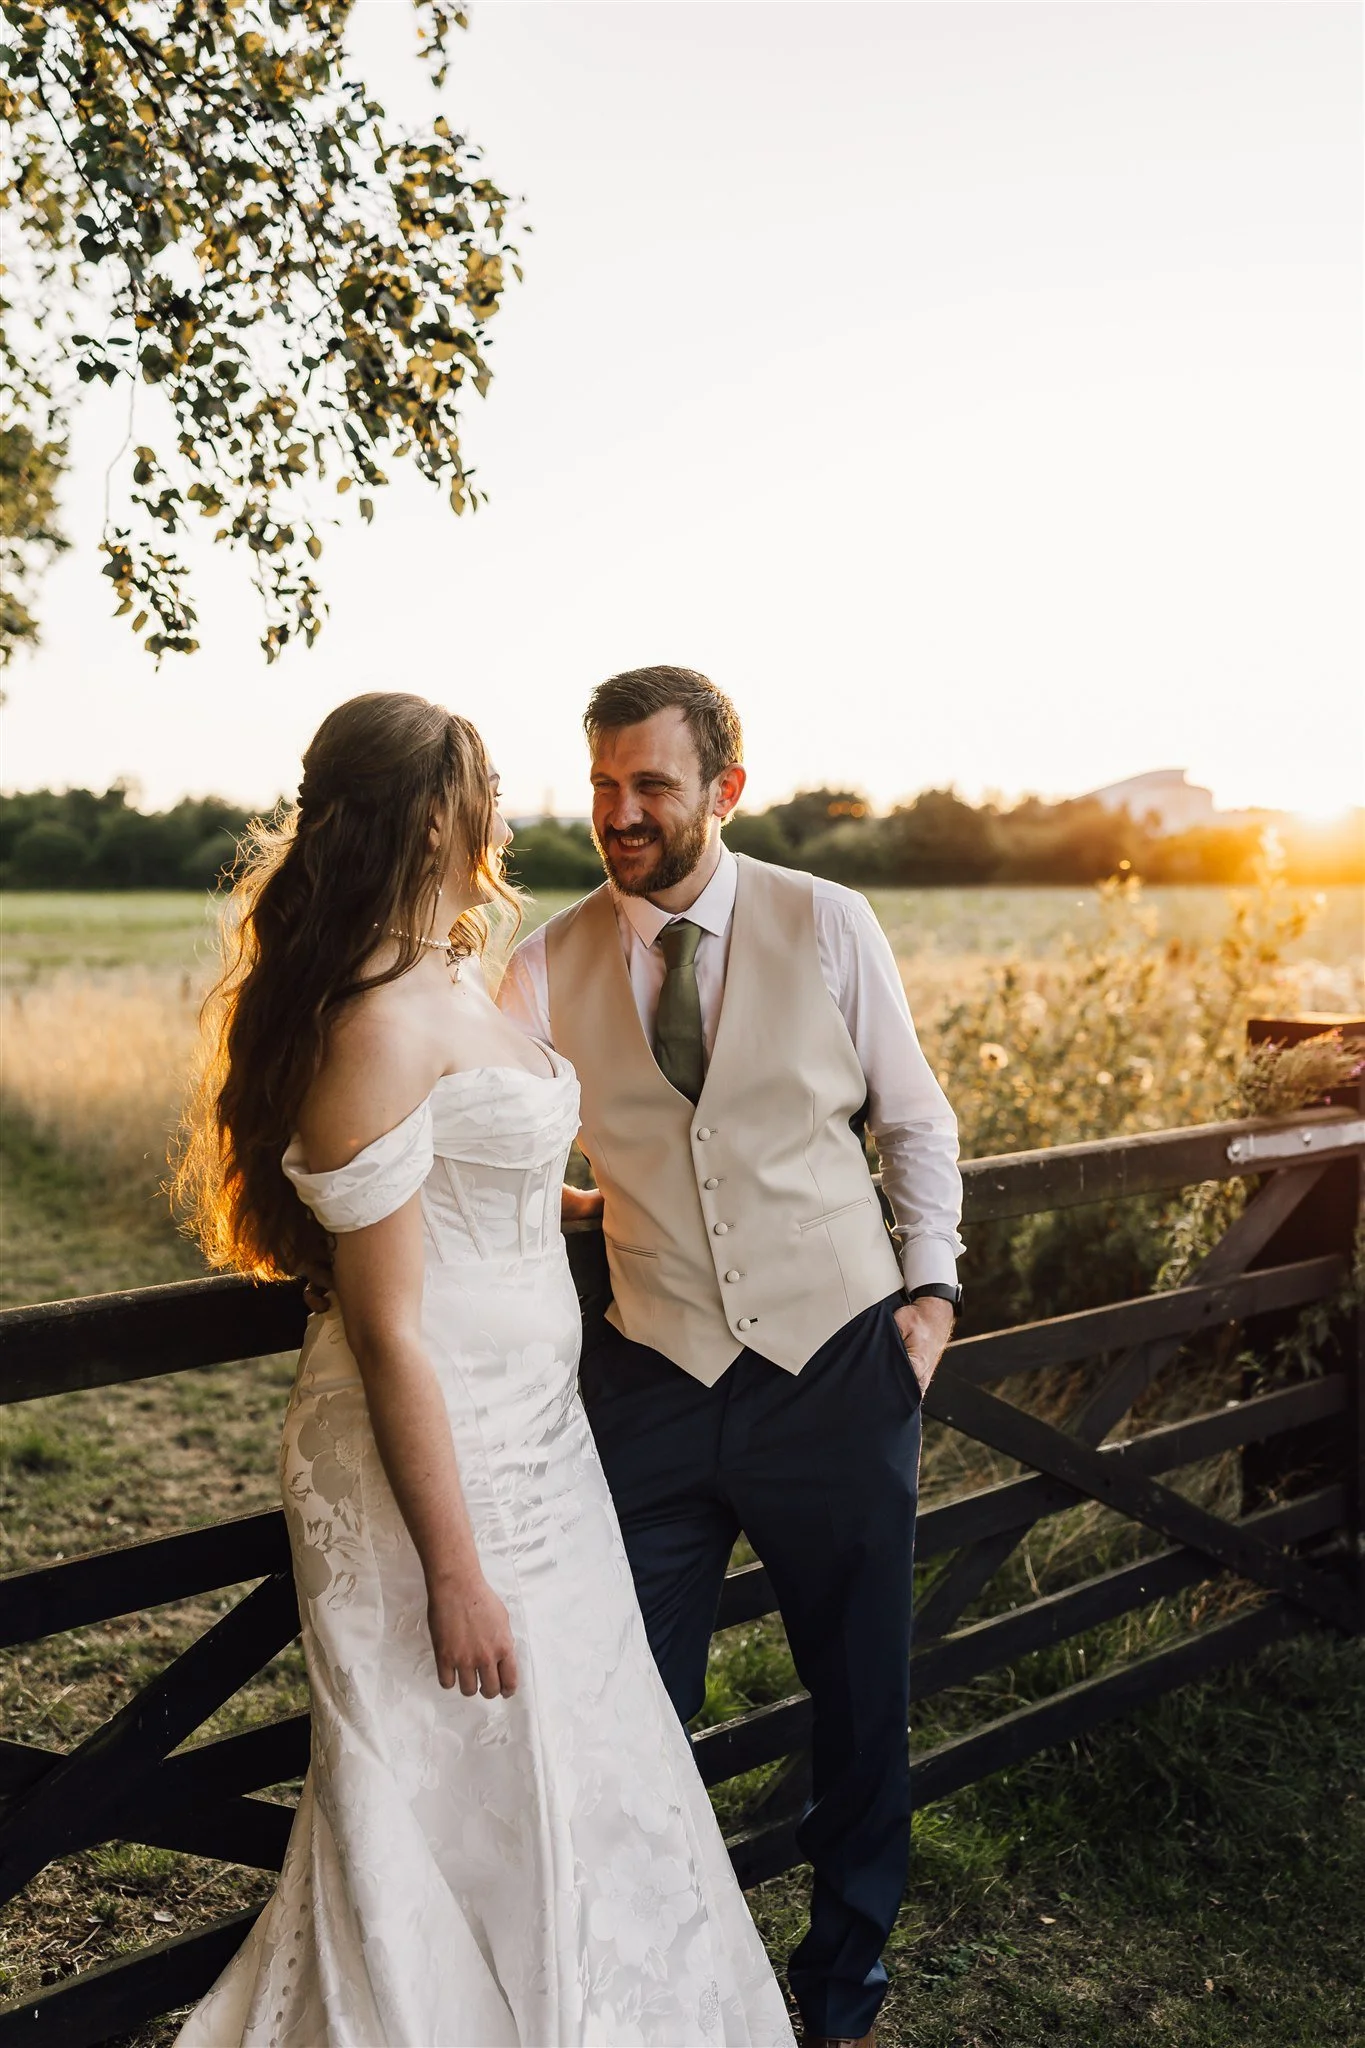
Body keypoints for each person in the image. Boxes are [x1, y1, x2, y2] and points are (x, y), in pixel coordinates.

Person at [173, 691, 795, 2048]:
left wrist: (568, 1211)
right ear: (433, 815)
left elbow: (478, 1170)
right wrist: (454, 1572)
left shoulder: (452, 971)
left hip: (539, 1437)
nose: (511, 812)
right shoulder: (371, 1026)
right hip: (432, 1454)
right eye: (490, 787)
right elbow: (391, 1323)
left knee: (578, 1742)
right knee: (459, 1759)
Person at [498, 667, 964, 2048]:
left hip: (837, 1371)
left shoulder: (828, 921)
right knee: (624, 1700)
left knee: (859, 1699)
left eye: (650, 785)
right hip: (651, 1375)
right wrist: (566, 1200)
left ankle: (841, 1987)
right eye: (602, 785)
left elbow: (916, 1122)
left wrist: (929, 1298)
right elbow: (502, 1141)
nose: (620, 813)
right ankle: (646, 1982)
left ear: (723, 790)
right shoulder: (545, 960)